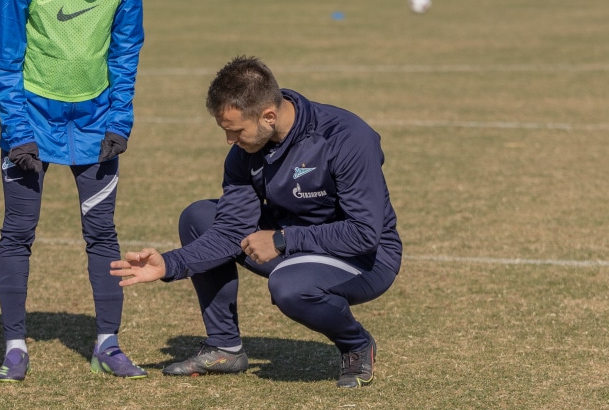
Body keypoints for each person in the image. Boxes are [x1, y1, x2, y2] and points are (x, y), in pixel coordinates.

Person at [110, 56, 402, 388]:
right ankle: (225, 347)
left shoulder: (345, 137)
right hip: (290, 246)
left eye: (236, 131)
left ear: (268, 116)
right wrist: (170, 263)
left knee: (289, 286)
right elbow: (229, 230)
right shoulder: (245, 153)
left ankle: (356, 344)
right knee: (199, 217)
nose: (229, 141)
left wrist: (281, 239)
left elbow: (364, 233)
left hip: (364, 258)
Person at [0, 0, 146, 381]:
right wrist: (17, 131)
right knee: (19, 232)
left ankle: (108, 343)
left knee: (102, 233)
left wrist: (120, 119)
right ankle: (14, 347)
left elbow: (126, 49)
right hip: (32, 119)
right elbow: (6, 59)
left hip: (97, 120)